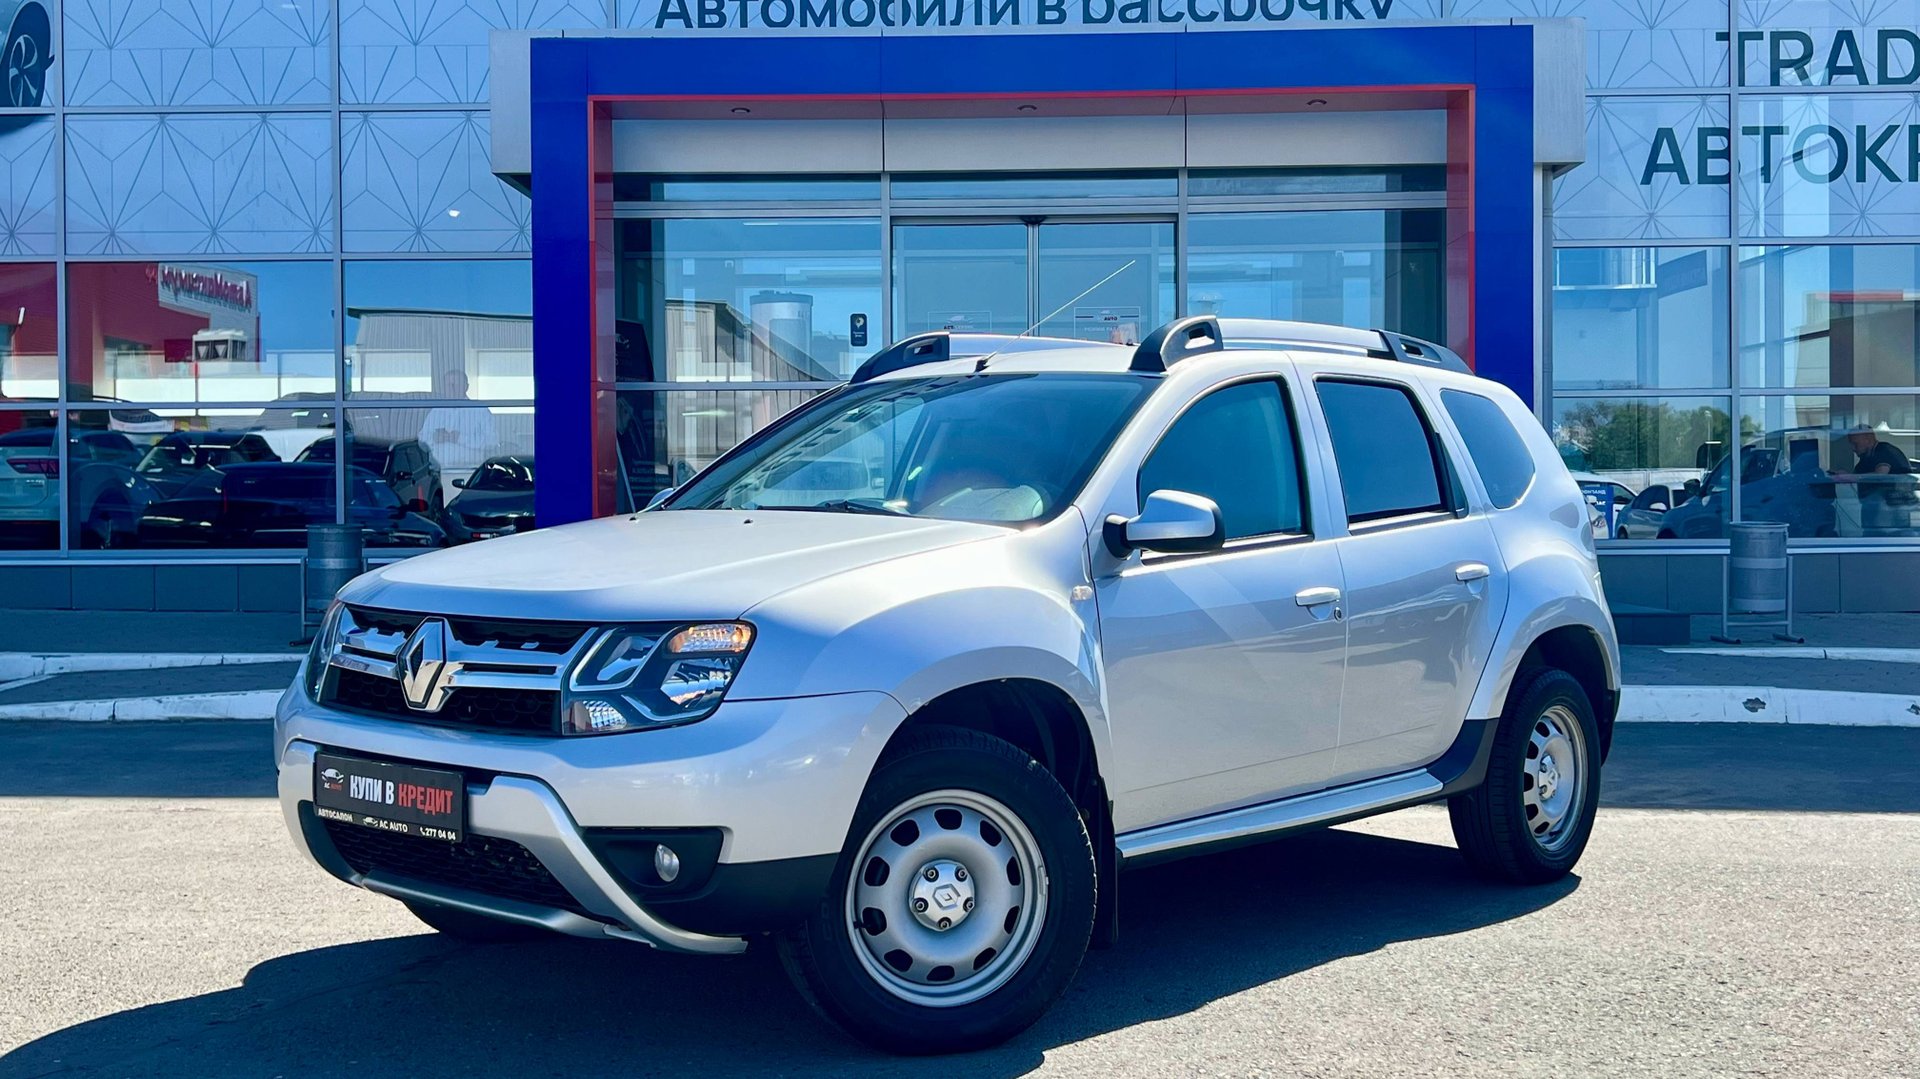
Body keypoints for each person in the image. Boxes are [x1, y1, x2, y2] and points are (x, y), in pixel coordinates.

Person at [418, 369, 497, 502]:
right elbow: (421, 440)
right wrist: (434, 439)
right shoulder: (436, 411)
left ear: (466, 386)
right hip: (440, 475)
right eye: (449, 385)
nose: (452, 388)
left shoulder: (480, 410)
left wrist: (460, 438)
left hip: (470, 476)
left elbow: (492, 441)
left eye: (456, 384)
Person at [1832, 422, 1915, 534]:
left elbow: (1880, 475)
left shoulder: (1884, 450)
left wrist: (1850, 477)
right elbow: (1858, 476)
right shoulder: (1864, 461)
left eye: (1855, 444)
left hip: (1890, 509)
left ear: (1868, 439)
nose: (1853, 448)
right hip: (1874, 509)